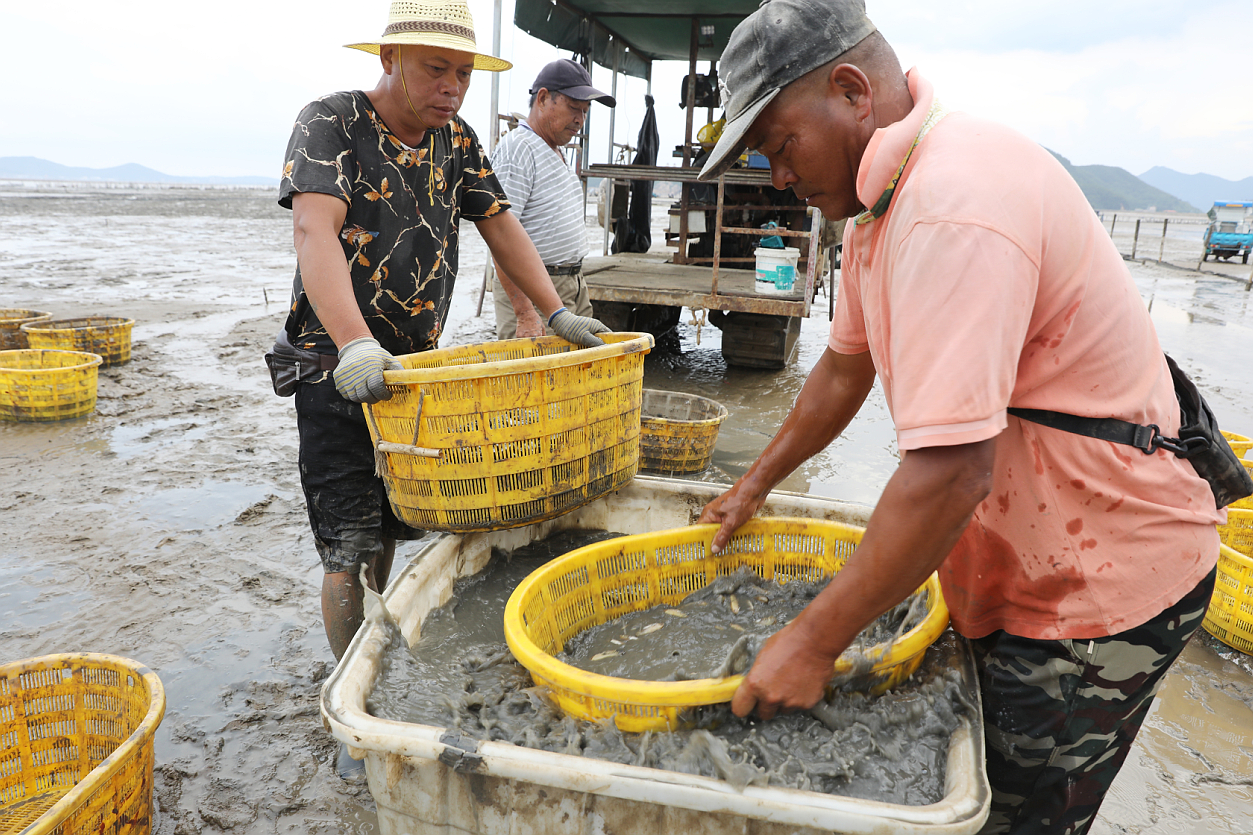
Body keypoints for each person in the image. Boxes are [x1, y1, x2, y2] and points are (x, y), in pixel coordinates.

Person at [695, 1, 1223, 833]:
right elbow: (842, 367)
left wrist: (809, 640)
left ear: (848, 91)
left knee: (1014, 816)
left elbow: (949, 474)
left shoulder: (950, 201)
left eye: (780, 144)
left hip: (1099, 587)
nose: (777, 177)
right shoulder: (880, 203)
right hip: (1017, 553)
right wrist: (753, 483)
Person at [271, 0, 609, 664]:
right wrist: (352, 341)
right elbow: (315, 231)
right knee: (346, 539)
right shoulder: (330, 122)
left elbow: (501, 225)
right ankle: (350, 673)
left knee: (392, 513)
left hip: (415, 371)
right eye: (434, 69)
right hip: (331, 361)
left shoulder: (455, 142)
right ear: (388, 59)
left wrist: (556, 311)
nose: (450, 87)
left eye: (462, 73)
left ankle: (376, 634)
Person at [490, 59, 614, 339]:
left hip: (572, 283)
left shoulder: (554, 149)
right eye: (574, 108)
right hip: (536, 289)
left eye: (585, 111)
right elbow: (498, 236)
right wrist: (524, 312)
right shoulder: (518, 148)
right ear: (544, 99)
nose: (580, 119)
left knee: (577, 376)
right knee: (532, 379)